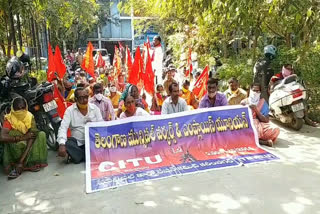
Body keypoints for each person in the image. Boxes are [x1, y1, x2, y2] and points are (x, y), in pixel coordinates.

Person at [0, 97, 47, 179]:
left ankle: (24, 164)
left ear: (26, 107)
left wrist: (21, 162)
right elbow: (2, 137)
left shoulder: (29, 117)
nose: (20, 111)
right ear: (13, 109)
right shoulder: (9, 119)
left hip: (28, 145)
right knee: (12, 134)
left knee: (41, 134)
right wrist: (22, 137)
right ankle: (19, 165)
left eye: (22, 108)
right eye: (18, 109)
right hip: (16, 146)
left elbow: (31, 137)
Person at [57, 87, 103, 164]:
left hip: (93, 141)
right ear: (75, 99)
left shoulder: (94, 109)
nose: (85, 100)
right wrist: (62, 144)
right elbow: (63, 128)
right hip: (77, 144)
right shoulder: (69, 111)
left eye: (86, 97)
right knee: (68, 143)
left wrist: (93, 125)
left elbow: (101, 125)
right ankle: (87, 156)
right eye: (81, 98)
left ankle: (79, 157)